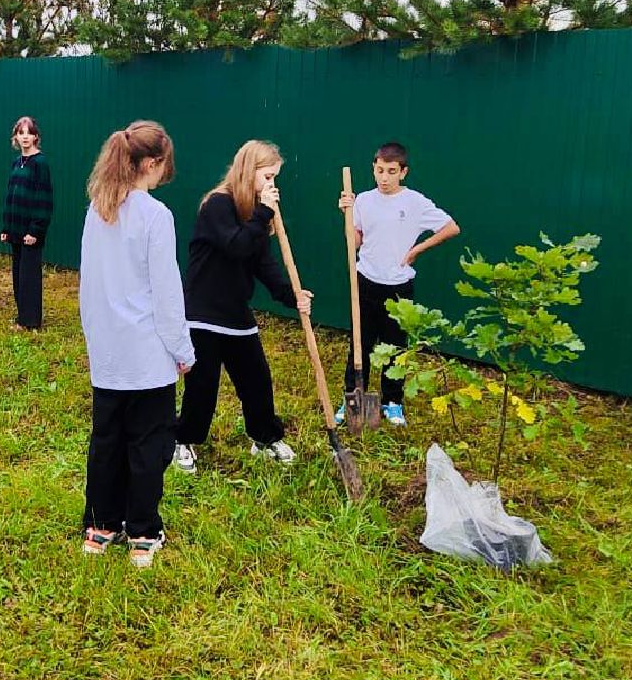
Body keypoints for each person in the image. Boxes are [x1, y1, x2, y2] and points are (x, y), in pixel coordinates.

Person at [78, 120, 194, 569]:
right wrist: (183, 351)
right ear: (152, 163)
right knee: (148, 446)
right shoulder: (155, 216)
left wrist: (96, 341)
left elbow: (89, 287)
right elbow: (167, 292)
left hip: (108, 354)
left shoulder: (97, 208)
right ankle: (142, 532)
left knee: (106, 442)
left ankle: (101, 526)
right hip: (147, 357)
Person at [173, 140, 312, 474]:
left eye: (274, 179)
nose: (272, 186)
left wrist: (290, 295)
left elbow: (262, 263)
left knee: (257, 380)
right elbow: (236, 245)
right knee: (203, 386)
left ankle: (265, 438)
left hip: (236, 312)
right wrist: (264, 212)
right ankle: (183, 440)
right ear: (248, 172)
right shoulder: (217, 205)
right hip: (203, 313)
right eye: (267, 177)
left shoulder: (254, 215)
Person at [338, 141, 460, 426]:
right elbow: (355, 242)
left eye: (391, 171)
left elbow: (451, 227)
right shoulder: (364, 201)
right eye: (379, 170)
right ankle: (352, 399)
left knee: (395, 347)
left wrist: (417, 250)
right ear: (373, 168)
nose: (384, 177)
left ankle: (392, 402)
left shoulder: (415, 202)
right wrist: (345, 214)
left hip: (399, 285)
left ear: (402, 172)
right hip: (365, 280)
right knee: (359, 344)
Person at [0, 116, 54, 331]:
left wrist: (36, 229)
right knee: (18, 275)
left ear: (36, 137)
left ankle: (30, 321)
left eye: (29, 133)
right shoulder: (16, 163)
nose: (25, 137)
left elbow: (44, 199)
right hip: (15, 230)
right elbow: (10, 196)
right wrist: (6, 227)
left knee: (29, 276)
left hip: (31, 232)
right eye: (21, 133)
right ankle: (22, 315)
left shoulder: (40, 163)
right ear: (15, 137)